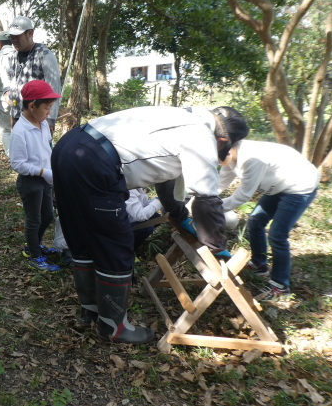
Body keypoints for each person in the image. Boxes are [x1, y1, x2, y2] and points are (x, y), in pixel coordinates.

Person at [51, 105, 249, 344]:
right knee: (116, 244)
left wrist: (177, 214)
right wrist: (216, 245)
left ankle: (90, 310)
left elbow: (164, 180)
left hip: (68, 147)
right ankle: (114, 327)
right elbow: (207, 199)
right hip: (95, 163)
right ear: (223, 139)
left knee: (82, 235)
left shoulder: (182, 116)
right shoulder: (201, 135)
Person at [219, 139, 319, 300]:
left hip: (299, 187)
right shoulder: (228, 155)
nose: (217, 162)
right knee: (255, 221)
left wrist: (211, 208)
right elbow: (219, 183)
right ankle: (260, 264)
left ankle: (280, 284)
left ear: (228, 152)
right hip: (279, 186)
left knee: (277, 235)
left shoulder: (251, 158)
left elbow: (242, 196)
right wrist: (202, 199)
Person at [9, 80, 63, 272]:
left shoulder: (44, 124)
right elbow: (17, 164)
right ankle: (34, 256)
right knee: (34, 219)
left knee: (47, 215)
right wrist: (42, 171)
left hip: (46, 178)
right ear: (32, 106)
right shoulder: (20, 131)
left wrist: (53, 166)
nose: (49, 112)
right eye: (46, 108)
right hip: (30, 181)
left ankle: (34, 245)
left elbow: (48, 148)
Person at [2, 17, 62, 133]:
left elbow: (54, 86)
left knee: (37, 149)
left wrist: (50, 118)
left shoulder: (44, 55)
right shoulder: (12, 56)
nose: (14, 40)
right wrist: (6, 91)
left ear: (30, 33)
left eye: (17, 36)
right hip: (16, 115)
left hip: (37, 117)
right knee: (19, 148)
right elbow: (8, 77)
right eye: (12, 36)